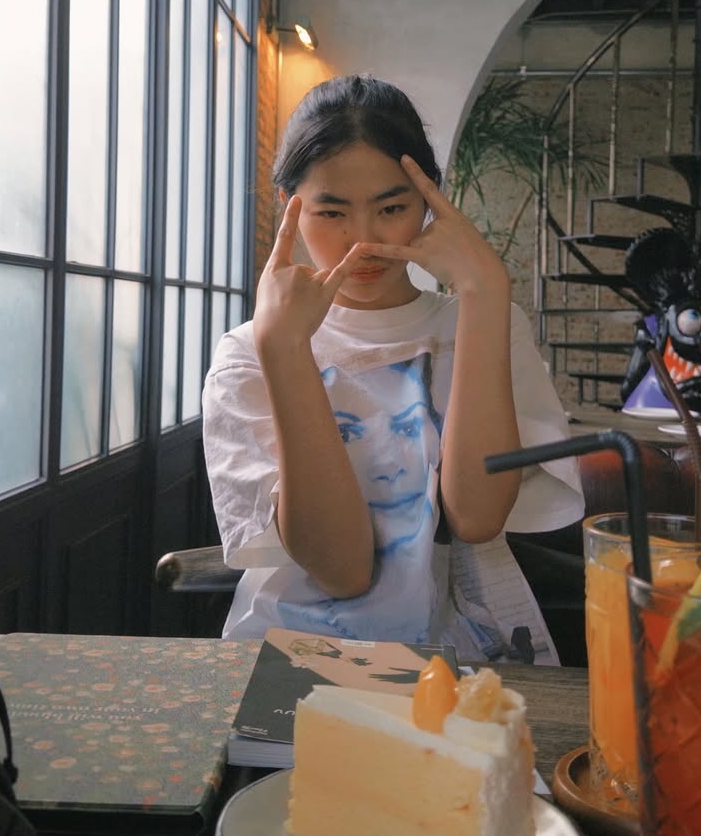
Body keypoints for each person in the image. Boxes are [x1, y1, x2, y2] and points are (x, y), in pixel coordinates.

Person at [202, 74, 584, 661]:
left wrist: (485, 291)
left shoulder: (486, 320)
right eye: (332, 211)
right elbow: (342, 570)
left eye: (392, 208)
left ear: (429, 202)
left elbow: (476, 517)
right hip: (292, 659)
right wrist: (285, 348)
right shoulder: (248, 352)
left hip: (469, 658)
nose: (363, 241)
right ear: (288, 207)